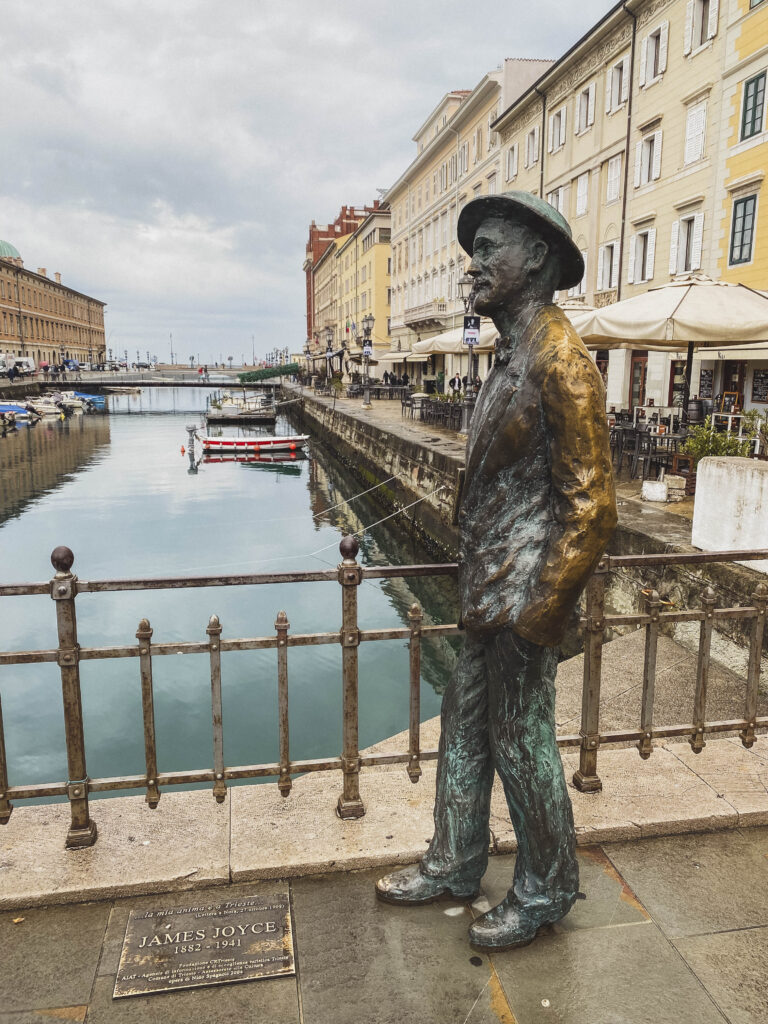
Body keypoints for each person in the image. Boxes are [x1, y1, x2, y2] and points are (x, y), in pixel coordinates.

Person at [376, 191, 617, 951]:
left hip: (524, 598)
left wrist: (541, 612)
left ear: (537, 258)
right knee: (466, 729)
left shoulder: (561, 361)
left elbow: (592, 508)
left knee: (522, 742)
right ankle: (454, 860)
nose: (473, 264)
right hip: (490, 589)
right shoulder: (512, 354)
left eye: (489, 248)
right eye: (472, 250)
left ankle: (546, 889)